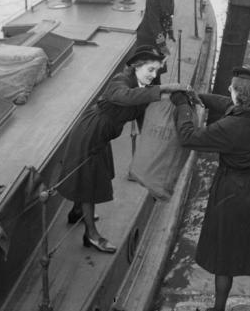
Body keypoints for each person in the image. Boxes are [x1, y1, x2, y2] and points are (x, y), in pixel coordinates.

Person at [57, 45, 188, 254]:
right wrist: (162, 89)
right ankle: (91, 235)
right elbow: (126, 97)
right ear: (136, 67)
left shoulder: (143, 88)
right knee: (90, 182)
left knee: (90, 176)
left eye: (156, 71)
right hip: (90, 134)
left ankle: (76, 212)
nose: (154, 76)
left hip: (102, 135)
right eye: (150, 70)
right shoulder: (120, 82)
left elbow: (143, 116)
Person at [169, 67, 250, 311]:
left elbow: (188, 137)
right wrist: (200, 97)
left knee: (224, 255)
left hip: (232, 189)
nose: (229, 90)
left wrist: (183, 106)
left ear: (241, 94)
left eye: (232, 87)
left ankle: (218, 310)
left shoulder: (230, 127)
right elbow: (228, 104)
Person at [136, 0, 177, 84]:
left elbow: (168, 15)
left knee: (158, 64)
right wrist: (162, 44)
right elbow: (154, 23)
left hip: (158, 35)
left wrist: (170, 31)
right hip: (148, 36)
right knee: (148, 65)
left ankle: (155, 85)